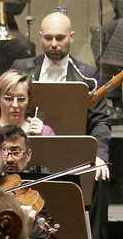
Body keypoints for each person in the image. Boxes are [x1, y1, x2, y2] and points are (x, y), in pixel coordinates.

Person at [12, 11, 111, 186]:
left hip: (70, 150)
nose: (54, 44)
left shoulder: (88, 75)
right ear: (40, 37)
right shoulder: (21, 68)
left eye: (60, 38)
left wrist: (99, 156)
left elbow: (100, 120)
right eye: (48, 38)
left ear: (72, 37)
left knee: (99, 177)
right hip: (26, 147)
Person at [0, 69, 51, 136]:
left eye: (21, 99)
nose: (15, 105)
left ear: (28, 100)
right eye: (9, 98)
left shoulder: (45, 132)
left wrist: (40, 139)